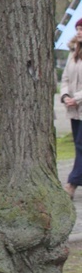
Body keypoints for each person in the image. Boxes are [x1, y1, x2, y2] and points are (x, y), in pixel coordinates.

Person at [62, 19, 82, 199]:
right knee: (78, 144)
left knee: (81, 144)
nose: (79, 32)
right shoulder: (72, 52)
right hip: (75, 110)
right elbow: (66, 78)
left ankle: (72, 183)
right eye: (77, 29)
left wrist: (76, 98)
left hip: (79, 103)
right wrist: (65, 96)